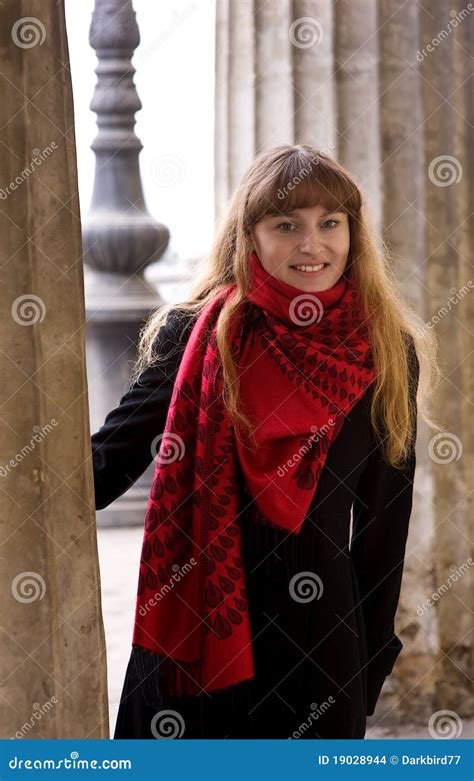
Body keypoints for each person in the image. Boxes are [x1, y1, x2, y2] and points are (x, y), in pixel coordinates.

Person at [91, 144, 440, 740]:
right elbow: (101, 472)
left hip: (318, 654)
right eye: (286, 225)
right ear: (247, 237)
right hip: (191, 647)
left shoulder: (386, 351)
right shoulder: (195, 335)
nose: (313, 245)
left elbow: (384, 533)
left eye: (331, 224)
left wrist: (367, 667)